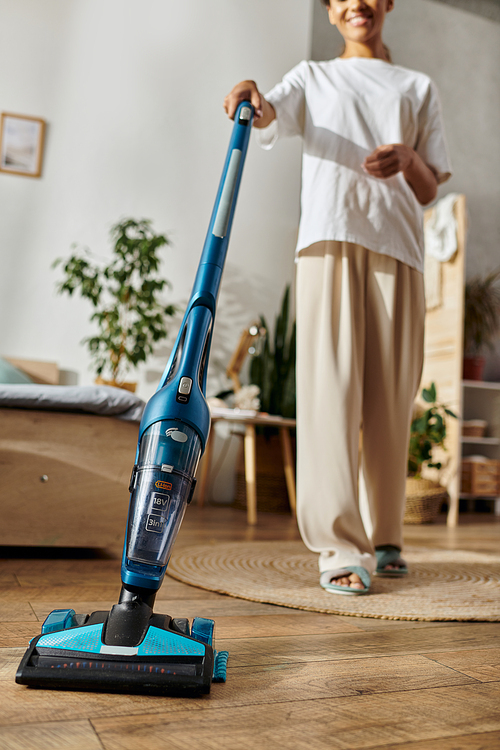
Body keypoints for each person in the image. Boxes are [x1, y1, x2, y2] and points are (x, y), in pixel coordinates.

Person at [224, 0, 451, 594]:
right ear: (330, 11)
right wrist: (251, 91)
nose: (358, 4)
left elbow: (430, 189)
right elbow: (270, 112)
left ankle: (386, 537)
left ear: (387, 5)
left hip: (400, 251)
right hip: (329, 243)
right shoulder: (313, 77)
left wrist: (408, 159)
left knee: (391, 400)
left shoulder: (416, 86)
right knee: (330, 395)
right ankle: (339, 545)